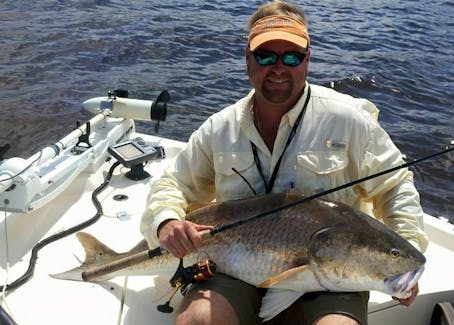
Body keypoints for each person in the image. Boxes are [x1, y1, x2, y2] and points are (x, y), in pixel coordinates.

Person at [141, 1, 428, 324]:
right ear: (248, 59)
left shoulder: (348, 121)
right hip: (233, 267)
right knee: (197, 320)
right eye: (265, 56)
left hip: (333, 276)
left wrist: (404, 257)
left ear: (307, 60)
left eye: (291, 56)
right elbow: (174, 183)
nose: (279, 67)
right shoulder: (220, 128)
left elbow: (394, 186)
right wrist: (166, 222)